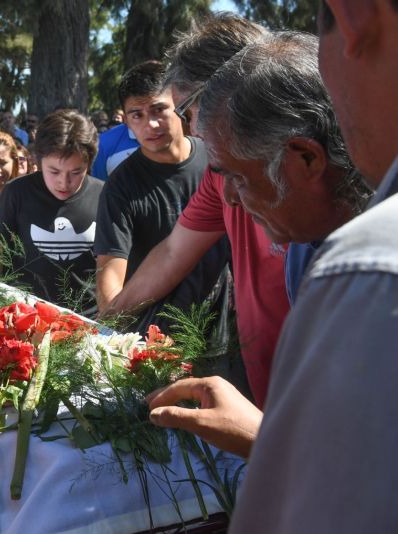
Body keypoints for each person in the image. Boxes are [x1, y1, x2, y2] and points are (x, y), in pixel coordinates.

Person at [149, 8, 398, 528]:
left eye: (236, 179)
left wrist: (264, 440)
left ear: (306, 159)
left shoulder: (363, 273)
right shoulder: (307, 251)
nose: (232, 203)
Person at [100, 13, 285, 406]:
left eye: (189, 108)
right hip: (257, 379)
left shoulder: (307, 172)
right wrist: (107, 324)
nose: (193, 127)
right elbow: (171, 253)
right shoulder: (220, 175)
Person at [93, 60, 230, 335]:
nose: (150, 124)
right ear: (125, 119)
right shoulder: (121, 186)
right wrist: (109, 331)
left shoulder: (218, 157)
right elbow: (110, 270)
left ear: (179, 105)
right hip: (160, 333)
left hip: (228, 321)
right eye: (137, 115)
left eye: (158, 109)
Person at [0, 110, 103, 313]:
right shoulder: (17, 192)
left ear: (89, 164)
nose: (63, 182)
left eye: (76, 172)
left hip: (86, 317)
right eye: (54, 171)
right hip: (26, 312)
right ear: (37, 161)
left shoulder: (103, 195)